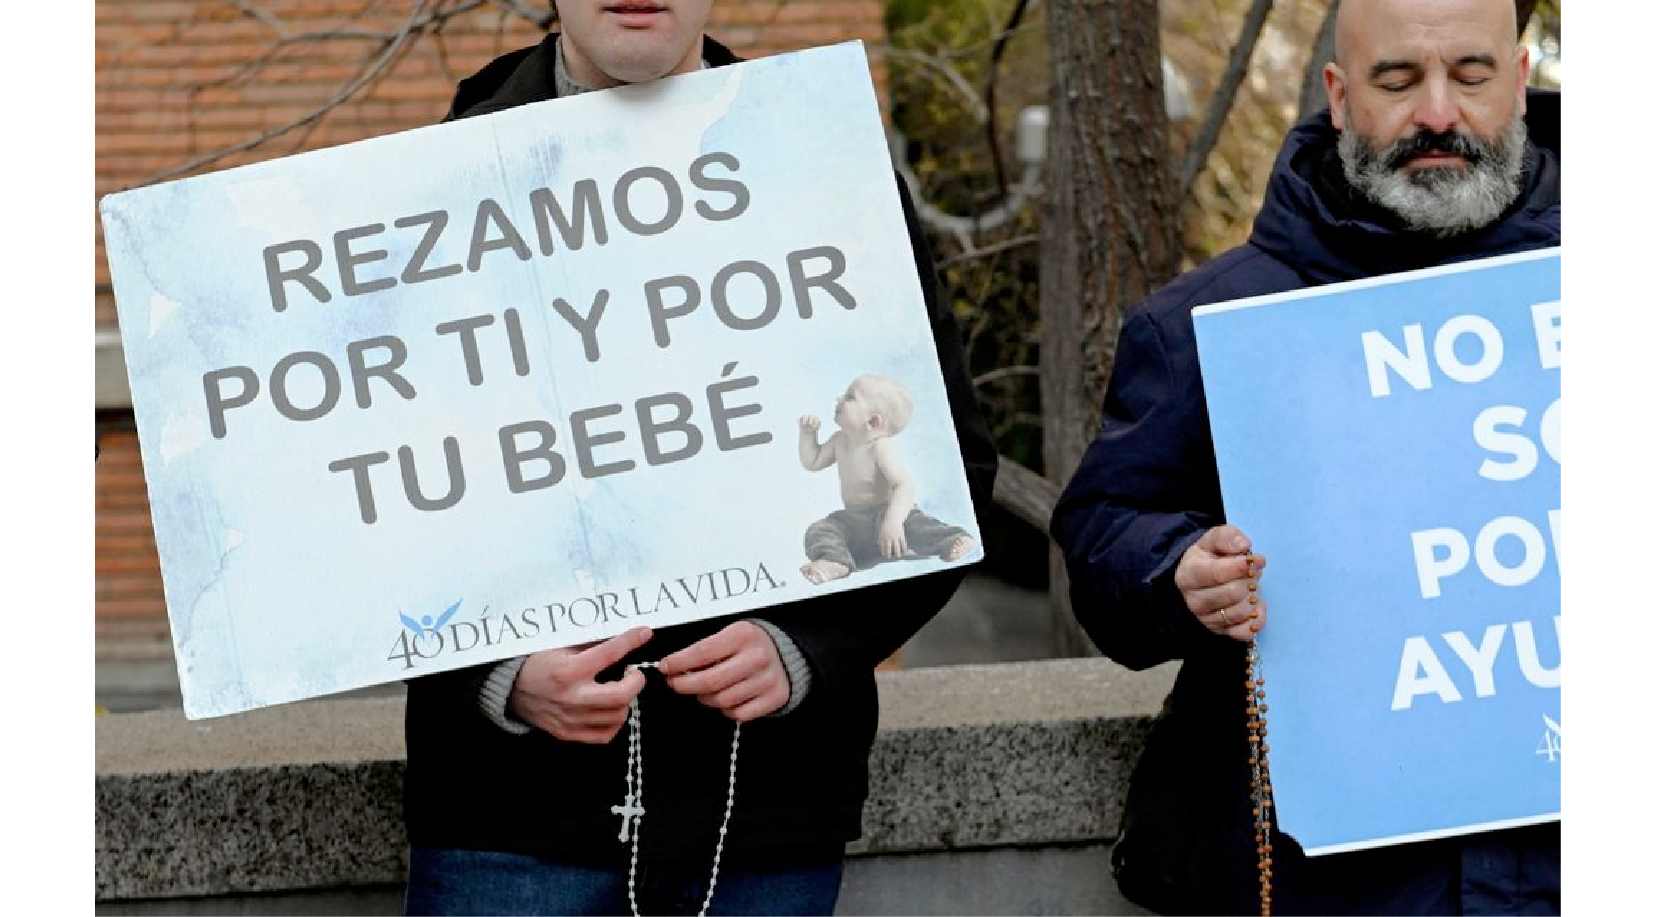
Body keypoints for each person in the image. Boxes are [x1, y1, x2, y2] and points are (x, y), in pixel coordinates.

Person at [399, 3, 999, 916]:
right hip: (509, 822)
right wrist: (495, 674)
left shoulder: (825, 170)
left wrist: (810, 647)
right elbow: (373, 506)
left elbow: (949, 471)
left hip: (763, 816)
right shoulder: (423, 189)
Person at [1050, 0, 1559, 914]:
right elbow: (1101, 536)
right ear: (1338, 93)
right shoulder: (1210, 324)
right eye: (1396, 80)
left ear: (1519, 82)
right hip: (1339, 878)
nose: (1436, 113)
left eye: (1470, 75)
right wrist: (1176, 569)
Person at [797, 373, 977, 585]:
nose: (839, 398)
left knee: (917, 525)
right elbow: (813, 462)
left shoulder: (880, 447)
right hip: (855, 519)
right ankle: (835, 561)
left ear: (873, 421)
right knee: (821, 529)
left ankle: (953, 539)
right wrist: (808, 435)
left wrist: (893, 521)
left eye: (850, 397)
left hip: (889, 513)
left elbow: (903, 485)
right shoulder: (839, 440)